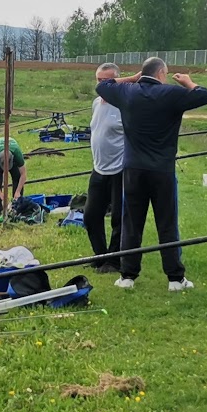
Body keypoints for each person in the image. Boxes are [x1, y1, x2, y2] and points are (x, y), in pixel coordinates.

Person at [95, 56, 207, 291]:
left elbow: (103, 86)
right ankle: (175, 279)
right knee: (167, 224)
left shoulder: (128, 92)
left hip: (133, 170)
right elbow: (205, 95)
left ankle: (127, 276)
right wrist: (188, 82)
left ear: (143, 74)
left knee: (132, 223)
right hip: (162, 171)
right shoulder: (171, 94)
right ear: (161, 74)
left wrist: (132, 78)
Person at [83, 63, 127, 273]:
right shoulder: (95, 104)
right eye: (99, 80)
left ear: (117, 81)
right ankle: (101, 256)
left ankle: (115, 260)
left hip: (120, 169)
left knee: (119, 217)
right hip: (98, 169)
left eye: (107, 81)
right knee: (91, 215)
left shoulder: (125, 105)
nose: (101, 85)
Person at [0, 136, 27, 215]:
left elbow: (23, 174)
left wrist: (18, 191)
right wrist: (1, 195)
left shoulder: (17, 153)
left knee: (17, 177)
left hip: (12, 150)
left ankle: (17, 206)